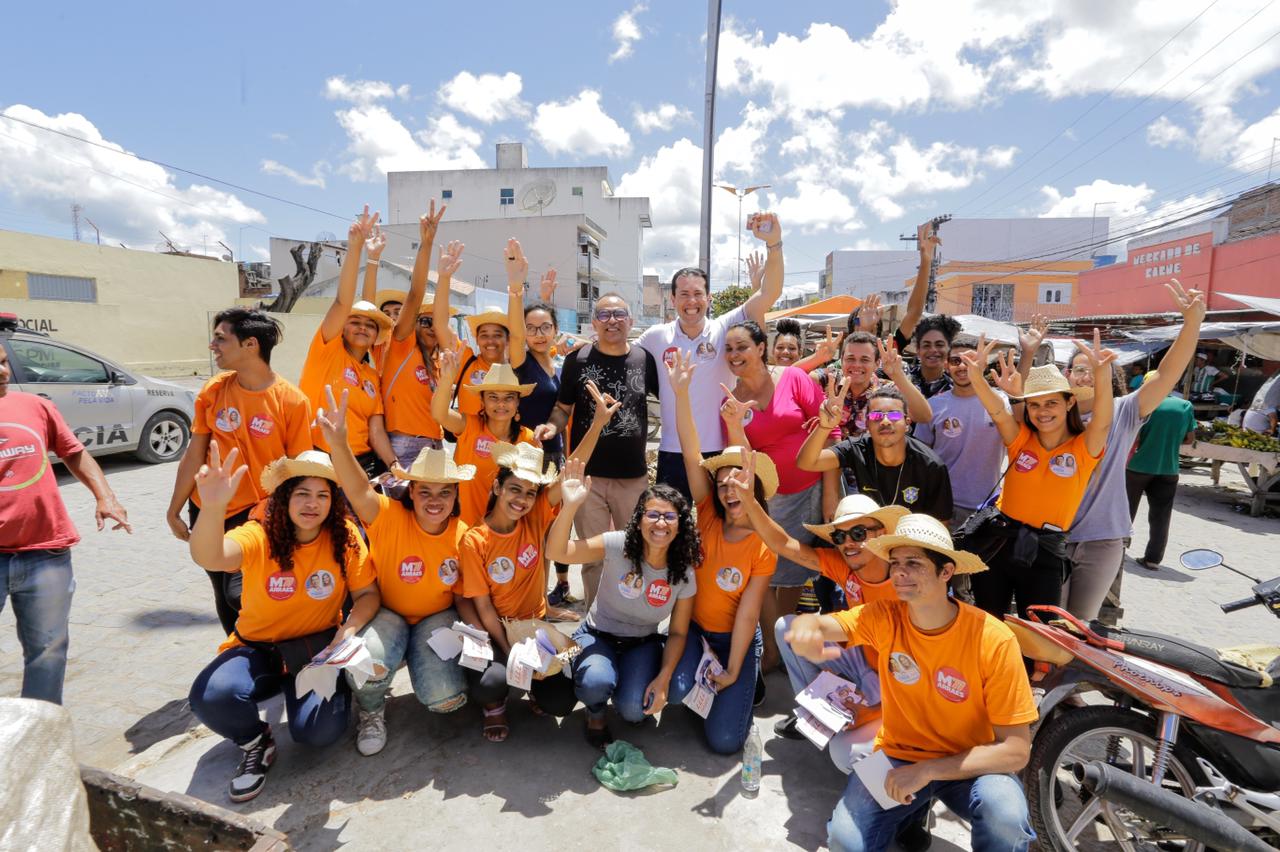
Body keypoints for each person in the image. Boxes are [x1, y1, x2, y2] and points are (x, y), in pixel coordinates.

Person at [786, 514, 1037, 852]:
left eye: (914, 563)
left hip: (970, 764)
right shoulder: (883, 616)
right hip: (896, 755)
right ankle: (908, 814)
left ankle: (911, 810)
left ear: (946, 572)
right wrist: (805, 627)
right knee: (844, 841)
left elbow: (1016, 751)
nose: (899, 572)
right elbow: (828, 626)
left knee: (1004, 813)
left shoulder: (993, 639)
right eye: (895, 562)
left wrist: (928, 771)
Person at [187, 447, 377, 802]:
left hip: (317, 651)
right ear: (285, 497)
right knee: (211, 697)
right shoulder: (259, 535)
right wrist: (212, 508)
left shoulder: (346, 537)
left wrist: (348, 631)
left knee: (316, 735)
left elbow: (367, 594)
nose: (312, 503)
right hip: (257, 648)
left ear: (333, 502)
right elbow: (210, 555)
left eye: (322, 495)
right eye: (302, 493)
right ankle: (256, 741)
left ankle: (332, 691)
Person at [316, 386, 475, 756]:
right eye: (425, 492)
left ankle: (429, 667)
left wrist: (474, 635)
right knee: (366, 663)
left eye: (444, 493)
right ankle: (372, 710)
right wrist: (339, 443)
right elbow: (356, 488)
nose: (434, 501)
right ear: (411, 491)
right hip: (386, 613)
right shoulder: (386, 515)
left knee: (444, 698)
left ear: (455, 497)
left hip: (436, 618)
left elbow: (464, 595)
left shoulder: (463, 534)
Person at [459, 403, 617, 742]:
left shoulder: (534, 517)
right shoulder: (475, 540)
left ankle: (530, 684)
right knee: (492, 682)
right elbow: (483, 607)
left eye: (530, 493)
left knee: (560, 702)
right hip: (497, 632)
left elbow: (574, 467)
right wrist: (508, 651)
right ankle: (496, 706)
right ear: (497, 489)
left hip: (535, 629)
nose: (522, 499)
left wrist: (599, 423)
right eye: (514, 489)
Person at [166, 307, 313, 635]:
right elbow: (194, 452)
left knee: (240, 593)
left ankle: (267, 649)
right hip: (208, 507)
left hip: (258, 513)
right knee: (220, 589)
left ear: (250, 345)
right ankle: (236, 650)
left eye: (221, 338)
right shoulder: (214, 390)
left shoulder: (292, 401)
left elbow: (298, 470)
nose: (212, 345)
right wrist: (174, 509)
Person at [1064, 281, 1205, 619]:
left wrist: (1192, 325)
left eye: (1097, 369)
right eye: (1079, 369)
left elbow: (1167, 376)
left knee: (1079, 626)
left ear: (1111, 378)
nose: (1086, 376)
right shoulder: (1048, 414)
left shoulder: (1123, 411)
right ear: (1066, 374)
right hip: (1052, 535)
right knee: (1047, 621)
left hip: (1102, 537)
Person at [0, 346, 131, 704]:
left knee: (47, 650)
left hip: (46, 552)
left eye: (2, 361)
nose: (2, 371)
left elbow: (73, 452)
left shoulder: (35, 406)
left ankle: (41, 735)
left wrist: (106, 497)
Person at [663, 353, 777, 752]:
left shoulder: (764, 543)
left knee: (726, 742)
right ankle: (705, 684)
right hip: (694, 631)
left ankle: (746, 679)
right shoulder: (708, 511)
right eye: (724, 483)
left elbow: (749, 613)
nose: (730, 490)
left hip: (736, 639)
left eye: (740, 483)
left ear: (755, 491)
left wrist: (732, 668)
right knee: (678, 692)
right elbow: (692, 450)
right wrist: (680, 393)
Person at [959, 332, 1115, 619]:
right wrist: (976, 375)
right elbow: (996, 409)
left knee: (1040, 631)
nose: (1042, 412)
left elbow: (1104, 421)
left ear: (1069, 403)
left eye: (1051, 403)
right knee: (989, 623)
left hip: (1046, 552)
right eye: (1034, 405)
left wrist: (1102, 373)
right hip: (998, 542)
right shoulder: (1021, 439)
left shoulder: (1083, 447)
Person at [547, 459, 700, 749]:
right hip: (598, 635)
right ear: (638, 518)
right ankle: (595, 712)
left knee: (632, 710)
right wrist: (569, 506)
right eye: (652, 514)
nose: (660, 523)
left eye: (669, 517)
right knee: (595, 682)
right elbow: (557, 551)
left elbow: (678, 633)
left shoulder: (684, 572)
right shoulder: (618, 544)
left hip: (643, 642)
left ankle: (626, 685)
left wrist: (663, 679)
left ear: (681, 525)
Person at [718, 320, 838, 672]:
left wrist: (831, 494)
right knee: (769, 574)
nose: (735, 355)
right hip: (772, 498)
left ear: (760, 347)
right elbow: (741, 459)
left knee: (802, 571)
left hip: (814, 489)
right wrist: (736, 424)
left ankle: (786, 648)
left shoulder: (794, 378)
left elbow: (830, 433)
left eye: (742, 347)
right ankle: (772, 647)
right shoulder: (730, 399)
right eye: (729, 349)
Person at [639, 212, 785, 501]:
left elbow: (770, 292)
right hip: (672, 450)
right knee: (674, 530)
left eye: (697, 294)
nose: (691, 302)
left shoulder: (726, 327)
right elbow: (617, 352)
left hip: (721, 450)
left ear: (709, 298)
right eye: (683, 294)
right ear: (673, 299)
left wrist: (774, 244)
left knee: (717, 530)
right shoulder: (655, 337)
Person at [757, 492, 907, 754]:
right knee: (786, 627)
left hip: (892, 679)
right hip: (859, 655)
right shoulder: (845, 564)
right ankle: (815, 714)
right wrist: (749, 500)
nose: (849, 543)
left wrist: (870, 713)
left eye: (858, 533)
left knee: (843, 754)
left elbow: (919, 680)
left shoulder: (906, 586)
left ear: (881, 533)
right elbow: (782, 544)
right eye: (840, 536)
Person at [538, 292, 661, 610]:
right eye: (604, 315)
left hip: (633, 477)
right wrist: (553, 426)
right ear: (594, 322)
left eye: (619, 314)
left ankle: (633, 616)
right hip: (586, 477)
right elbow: (563, 408)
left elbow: (670, 401)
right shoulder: (578, 360)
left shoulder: (644, 359)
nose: (612, 321)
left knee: (636, 551)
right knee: (593, 558)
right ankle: (597, 621)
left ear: (630, 321)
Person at [298, 205, 396, 477]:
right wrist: (356, 249)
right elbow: (343, 301)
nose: (363, 327)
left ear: (377, 335)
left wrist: (394, 463)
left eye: (370, 325)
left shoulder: (371, 374)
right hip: (324, 461)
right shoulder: (327, 350)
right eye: (355, 321)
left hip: (365, 465)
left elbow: (375, 429)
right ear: (342, 327)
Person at [505, 242, 575, 607]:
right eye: (531, 328)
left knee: (554, 526)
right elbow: (516, 335)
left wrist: (545, 296)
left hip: (556, 455)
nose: (538, 333)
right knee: (531, 530)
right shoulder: (521, 360)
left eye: (545, 327)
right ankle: (530, 598)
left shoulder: (558, 367)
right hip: (528, 458)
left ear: (555, 329)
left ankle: (553, 591)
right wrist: (517, 288)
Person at [798, 358, 953, 523]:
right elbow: (807, 463)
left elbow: (940, 523)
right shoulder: (857, 448)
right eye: (876, 416)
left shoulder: (930, 465)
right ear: (867, 424)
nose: (885, 421)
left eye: (894, 415)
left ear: (907, 423)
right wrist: (824, 427)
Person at [378, 202, 453, 468]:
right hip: (405, 446)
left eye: (437, 321)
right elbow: (415, 293)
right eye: (424, 320)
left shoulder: (436, 361)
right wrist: (427, 244)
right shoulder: (400, 345)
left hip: (436, 443)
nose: (432, 327)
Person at [432, 358, 538, 528]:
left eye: (509, 397)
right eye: (493, 397)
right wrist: (446, 379)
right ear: (482, 400)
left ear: (518, 402)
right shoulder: (469, 426)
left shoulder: (528, 439)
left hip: (505, 533)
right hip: (465, 528)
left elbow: (530, 491)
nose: (501, 404)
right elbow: (439, 414)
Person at [914, 342, 1009, 531]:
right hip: (942, 507)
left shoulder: (1002, 403)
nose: (963, 366)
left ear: (983, 363)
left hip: (987, 508)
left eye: (971, 359)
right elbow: (919, 457)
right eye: (956, 360)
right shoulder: (933, 405)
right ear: (947, 365)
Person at [431, 241, 519, 419]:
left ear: (508, 340)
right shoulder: (465, 361)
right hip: (468, 442)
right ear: (477, 339)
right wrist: (444, 278)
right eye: (484, 335)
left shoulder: (517, 368)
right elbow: (440, 324)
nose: (490, 341)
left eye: (497, 335)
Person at [1126, 379, 1197, 570]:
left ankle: (1119, 549)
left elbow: (1133, 437)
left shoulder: (1142, 405)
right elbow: (1190, 440)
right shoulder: (1184, 405)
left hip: (1137, 466)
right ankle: (1153, 559)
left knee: (1126, 510)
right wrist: (1168, 442)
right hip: (1169, 468)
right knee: (1161, 515)